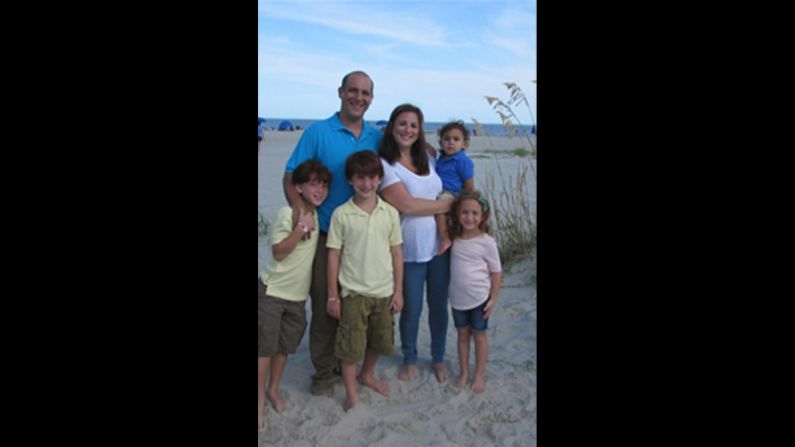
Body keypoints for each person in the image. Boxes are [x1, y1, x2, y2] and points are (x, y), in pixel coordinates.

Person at [282, 70, 383, 396]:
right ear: (340, 92)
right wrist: (303, 212)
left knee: (354, 306)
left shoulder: (376, 137)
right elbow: (289, 176)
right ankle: (324, 374)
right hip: (325, 237)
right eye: (353, 90)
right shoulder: (318, 132)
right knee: (328, 306)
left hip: (363, 239)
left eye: (365, 93)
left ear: (371, 98)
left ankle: (347, 364)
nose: (359, 97)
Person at [378, 103, 453, 383]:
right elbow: (407, 206)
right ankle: (409, 357)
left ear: (420, 130)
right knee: (411, 309)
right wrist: (450, 204)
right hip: (408, 248)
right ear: (392, 127)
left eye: (413, 125)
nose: (407, 129)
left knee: (438, 306)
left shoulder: (430, 160)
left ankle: (437, 358)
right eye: (402, 123)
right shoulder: (385, 165)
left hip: (439, 248)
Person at [326, 151, 403, 410]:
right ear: (350, 180)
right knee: (350, 346)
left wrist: (398, 291)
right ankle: (351, 392)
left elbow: (396, 253)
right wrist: (333, 295)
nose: (366, 184)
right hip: (353, 293)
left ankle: (367, 374)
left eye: (371, 178)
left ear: (380, 179)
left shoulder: (390, 213)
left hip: (384, 291)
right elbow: (333, 255)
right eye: (360, 178)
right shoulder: (342, 214)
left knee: (380, 340)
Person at [258, 159, 331, 430]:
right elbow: (278, 251)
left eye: (324, 185)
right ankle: (258, 404)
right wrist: (300, 227)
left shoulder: (317, 216)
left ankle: (273, 390)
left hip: (298, 298)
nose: (320, 189)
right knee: (264, 349)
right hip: (273, 292)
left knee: (284, 348)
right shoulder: (286, 214)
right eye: (314, 184)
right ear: (298, 187)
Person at [447, 191, 502, 394]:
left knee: (479, 336)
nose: (469, 218)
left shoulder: (487, 242)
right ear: (457, 215)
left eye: (475, 213)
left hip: (480, 299)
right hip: (457, 299)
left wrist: (493, 299)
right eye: (465, 213)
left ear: (482, 217)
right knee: (462, 336)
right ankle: (463, 372)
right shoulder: (454, 238)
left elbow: (496, 273)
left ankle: (478, 375)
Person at [434, 120, 475, 254]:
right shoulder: (441, 158)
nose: (451, 142)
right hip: (441, 192)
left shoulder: (462, 160)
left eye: (456, 139)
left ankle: (444, 237)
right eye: (447, 139)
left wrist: (466, 201)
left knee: (439, 209)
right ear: (441, 143)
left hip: (453, 194)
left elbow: (469, 183)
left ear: (464, 144)